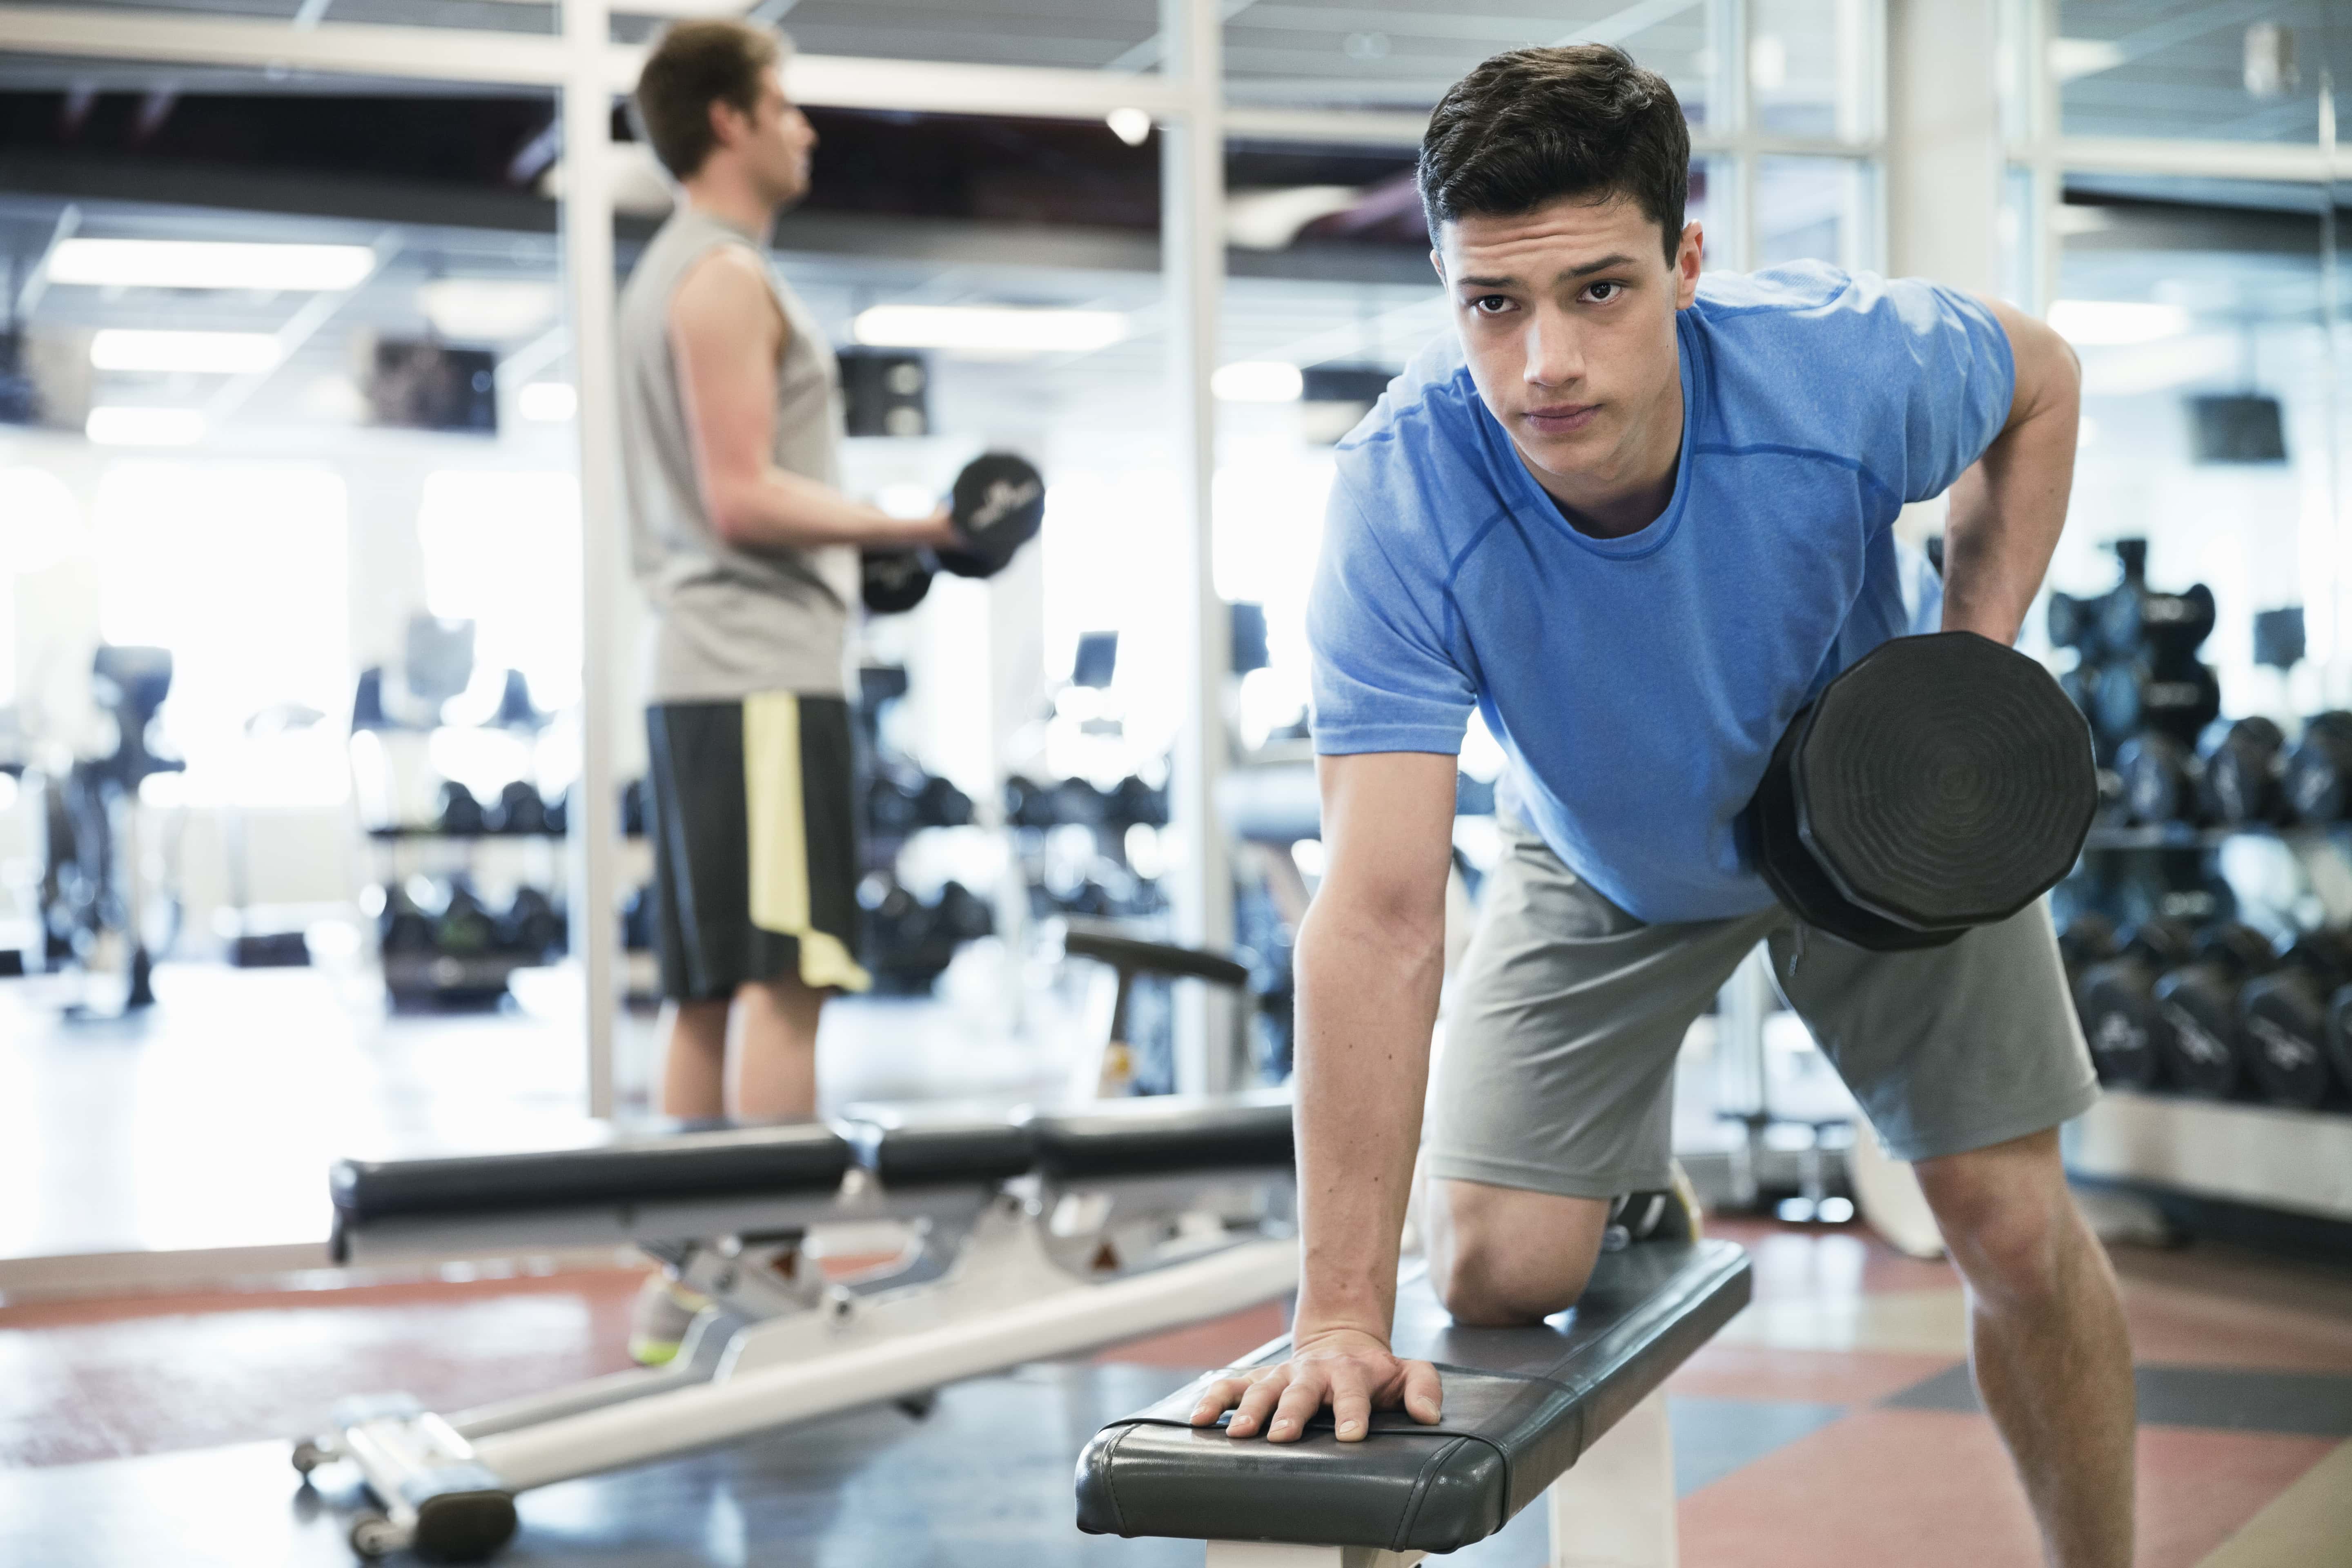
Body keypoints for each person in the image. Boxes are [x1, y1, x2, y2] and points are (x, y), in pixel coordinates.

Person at [1189, 45, 2133, 1568]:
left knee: (2012, 1229)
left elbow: (2045, 381)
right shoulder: (1400, 499)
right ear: (1448, 290)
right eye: (1492, 305)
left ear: (1685, 263)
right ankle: (1620, 1187)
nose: (1545, 362)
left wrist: (1959, 678)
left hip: (1865, 830)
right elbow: (1374, 916)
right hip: (1599, 853)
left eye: (1599, 291)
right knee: (1497, 1272)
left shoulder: (1840, 367)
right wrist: (1340, 1318)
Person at [617, 18, 954, 1364]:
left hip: (712, 670)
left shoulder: (674, 274)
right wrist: (917, 527)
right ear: (730, 124)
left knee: (710, 988)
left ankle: (695, 1278)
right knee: (783, 981)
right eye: (788, 106)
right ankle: (763, 1271)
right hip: (759, 676)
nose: (807, 128)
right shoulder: (720, 276)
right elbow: (744, 496)